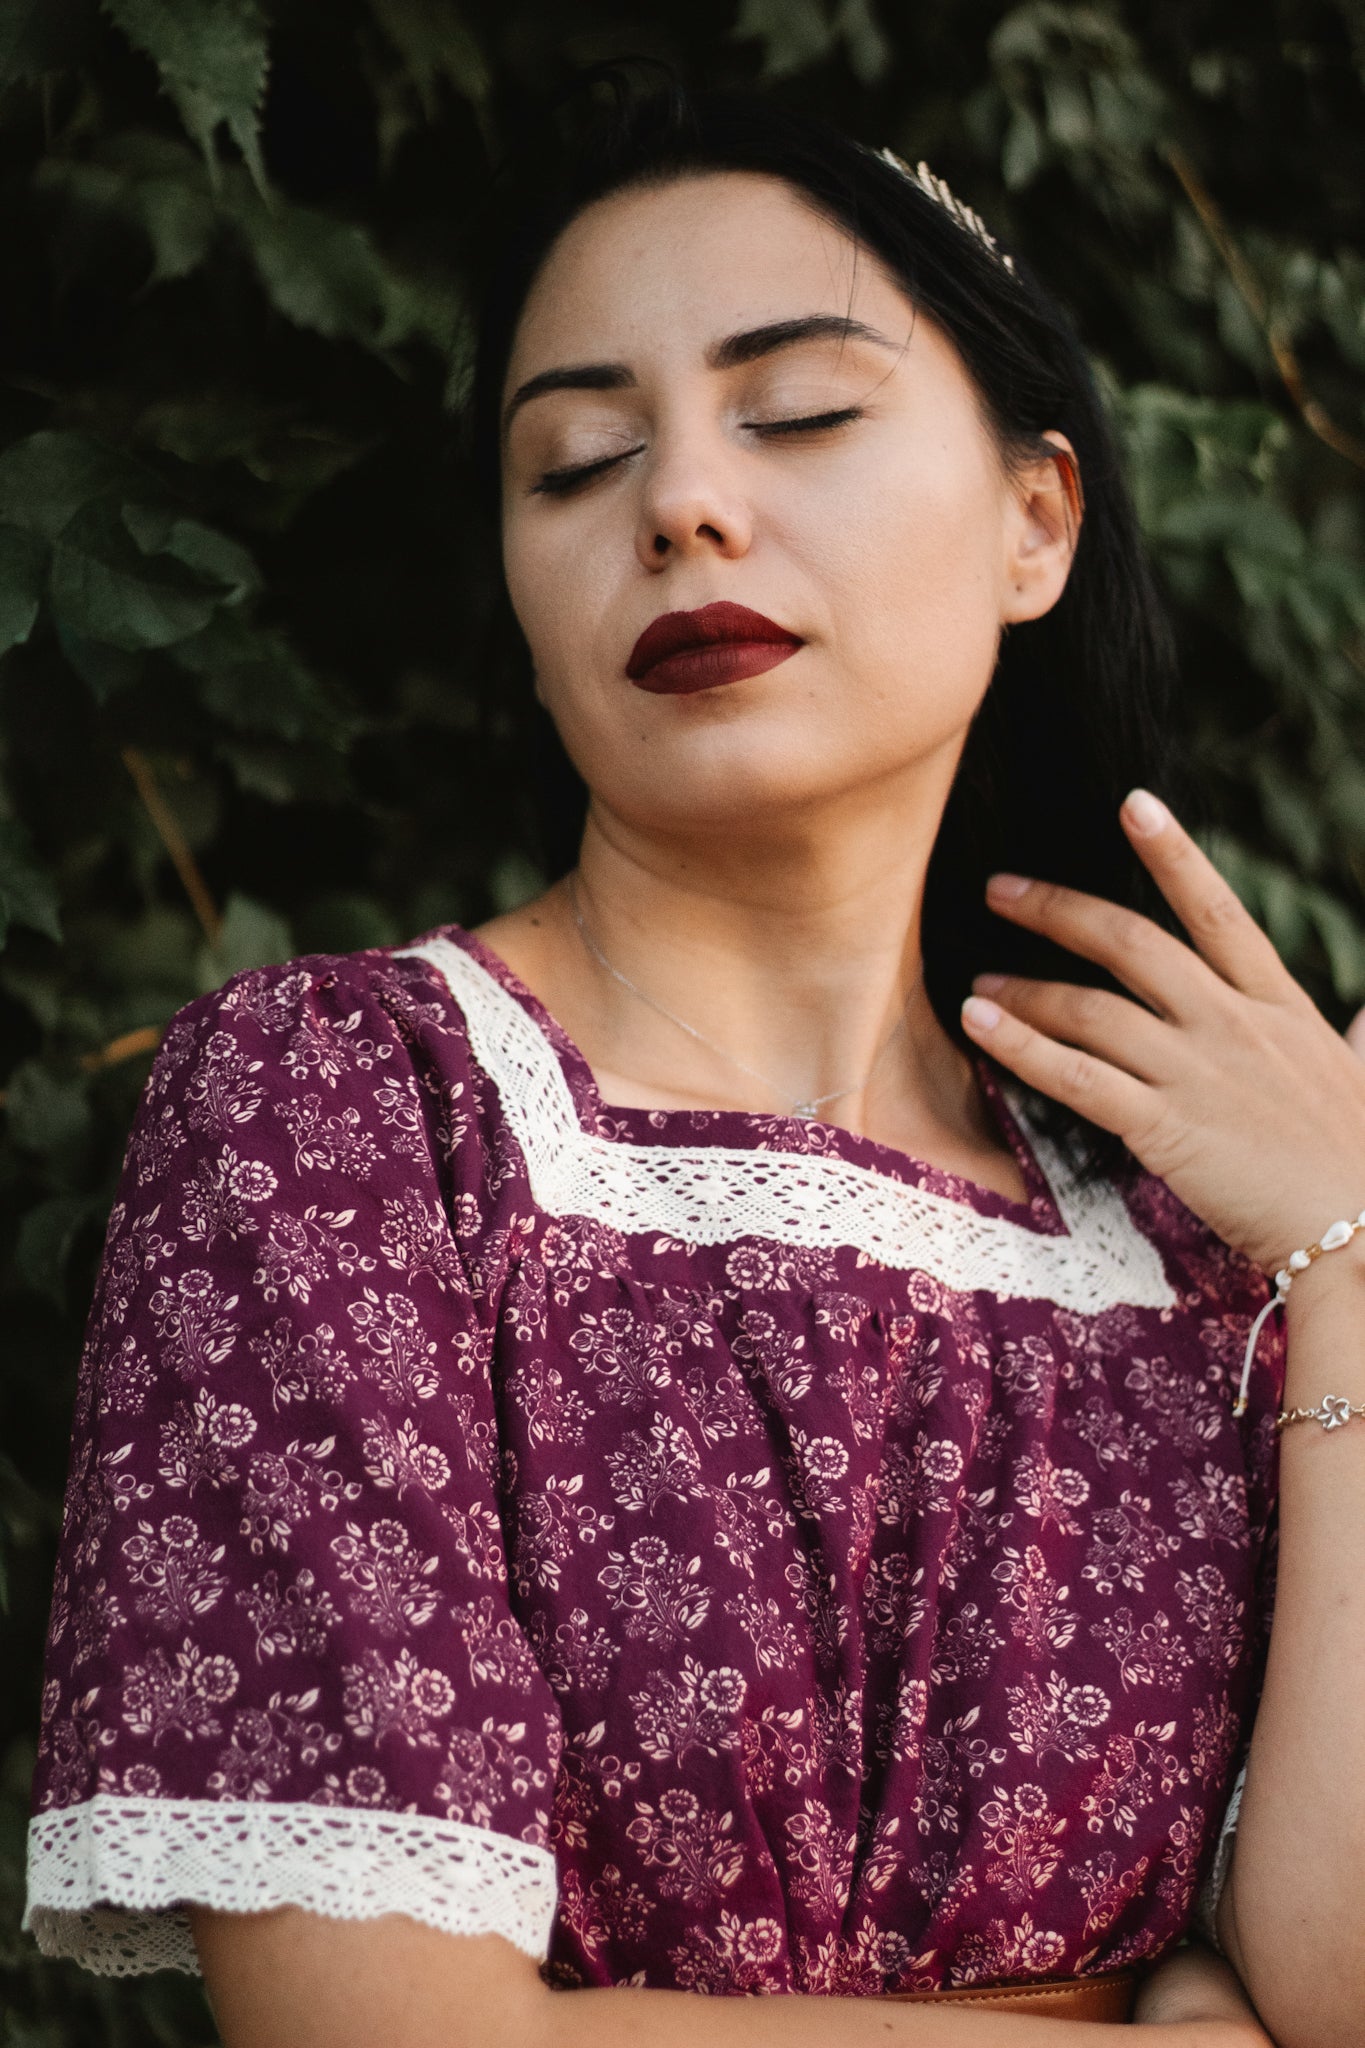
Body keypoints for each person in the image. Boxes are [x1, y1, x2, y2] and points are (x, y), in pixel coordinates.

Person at [22, 79, 1365, 2048]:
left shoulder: (1185, 1237)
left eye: (796, 412)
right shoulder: (347, 1106)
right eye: (574, 460)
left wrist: (1350, 1255)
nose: (678, 504)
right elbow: (389, 2031)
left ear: (1035, 521)